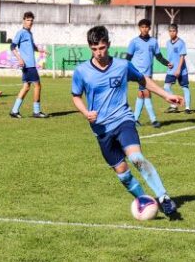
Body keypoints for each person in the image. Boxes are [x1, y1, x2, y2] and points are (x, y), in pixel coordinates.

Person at [72, 25, 182, 218]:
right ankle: (145, 201)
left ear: (109, 45)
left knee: (136, 158)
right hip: (101, 129)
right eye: (95, 49)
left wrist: (166, 95)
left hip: (123, 120)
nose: (99, 53)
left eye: (102, 47)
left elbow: (143, 80)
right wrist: (85, 112)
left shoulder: (122, 66)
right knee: (122, 172)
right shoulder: (82, 71)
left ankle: (164, 198)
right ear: (90, 48)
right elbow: (76, 96)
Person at [126, 19, 172, 128]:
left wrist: (167, 63)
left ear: (149, 28)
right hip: (138, 73)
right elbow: (128, 58)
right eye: (142, 27)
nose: (144, 29)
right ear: (139, 28)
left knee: (142, 94)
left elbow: (158, 56)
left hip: (148, 73)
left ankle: (135, 119)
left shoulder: (153, 42)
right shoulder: (134, 42)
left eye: (146, 27)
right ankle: (153, 120)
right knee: (147, 93)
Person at [10, 11, 49, 118]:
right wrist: (19, 59)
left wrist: (41, 50)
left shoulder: (29, 33)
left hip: (29, 65)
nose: (30, 22)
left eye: (31, 20)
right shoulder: (21, 33)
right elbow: (12, 47)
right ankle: (36, 111)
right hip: (28, 65)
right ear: (23, 20)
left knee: (26, 87)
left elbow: (32, 46)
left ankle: (14, 110)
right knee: (37, 85)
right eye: (28, 20)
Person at [163, 24, 192, 114]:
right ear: (168, 32)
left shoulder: (181, 43)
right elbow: (170, 56)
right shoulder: (168, 43)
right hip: (171, 70)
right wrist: (168, 64)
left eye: (174, 31)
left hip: (181, 70)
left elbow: (182, 57)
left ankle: (187, 108)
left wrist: (179, 69)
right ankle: (174, 105)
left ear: (177, 31)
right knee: (166, 87)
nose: (172, 33)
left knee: (185, 87)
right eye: (170, 31)